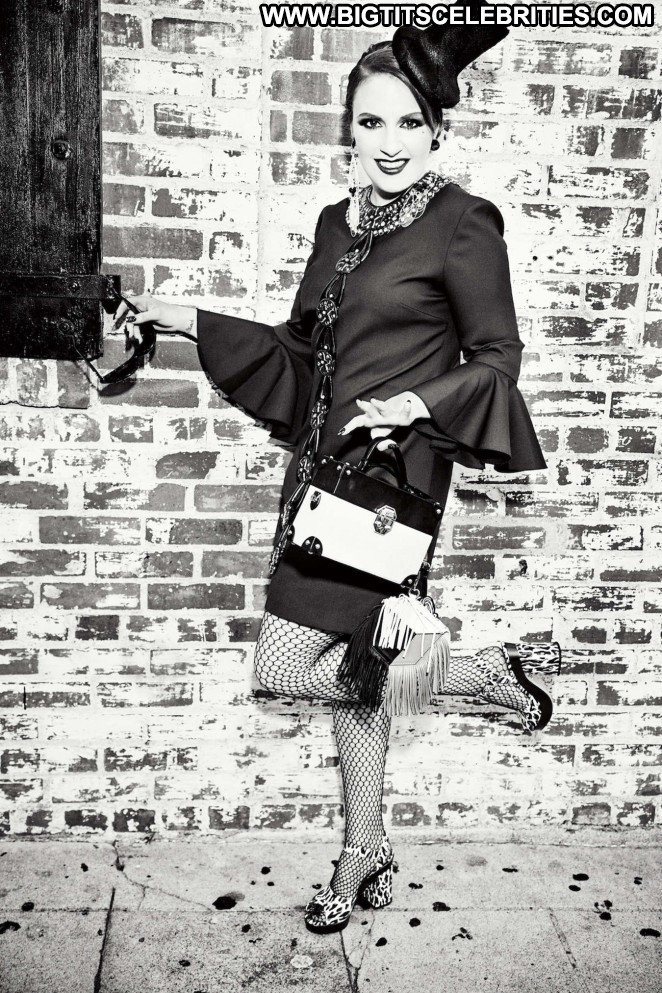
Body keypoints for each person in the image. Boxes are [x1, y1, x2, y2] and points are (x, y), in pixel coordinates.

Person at [111, 34, 557, 935]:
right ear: (347, 130)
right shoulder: (334, 224)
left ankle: (481, 674)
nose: (389, 143)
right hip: (321, 479)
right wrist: (185, 316)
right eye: (370, 123)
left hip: (392, 487)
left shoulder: (465, 222)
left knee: (287, 664)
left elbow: (498, 360)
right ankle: (366, 846)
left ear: (437, 131)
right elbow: (301, 351)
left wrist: (414, 403)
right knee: (356, 675)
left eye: (409, 123)